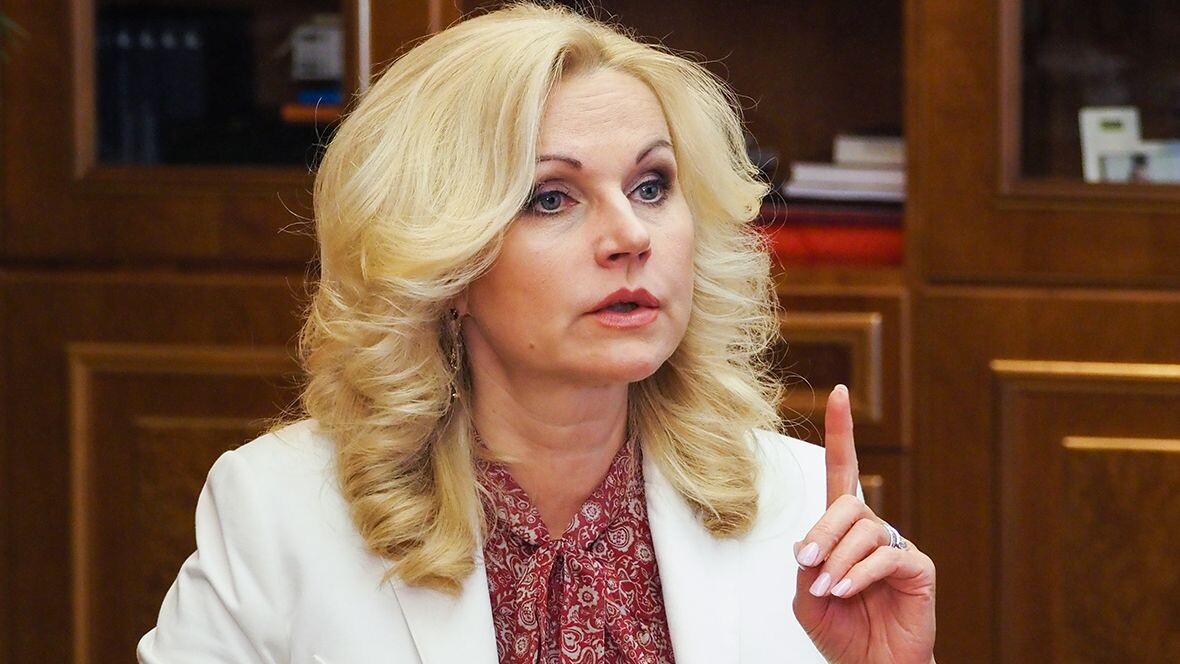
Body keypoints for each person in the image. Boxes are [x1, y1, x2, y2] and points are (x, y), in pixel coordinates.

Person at [138, 3, 935, 662]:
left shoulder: (803, 509)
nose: (631, 235)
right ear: (444, 265)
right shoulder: (277, 509)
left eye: (651, 185)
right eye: (551, 197)